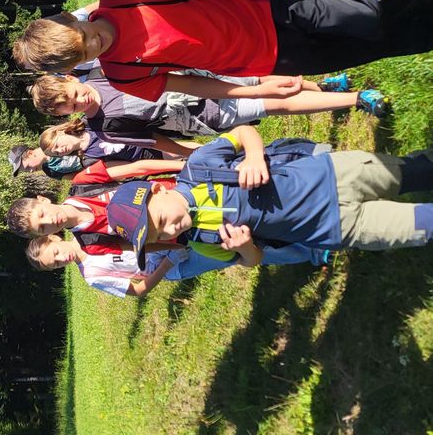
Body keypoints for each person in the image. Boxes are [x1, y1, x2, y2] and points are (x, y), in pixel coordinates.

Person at [12, 0, 432, 103]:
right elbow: (195, 87)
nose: (96, 43)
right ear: (82, 66)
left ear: (72, 17)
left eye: (85, 36)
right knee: (375, 45)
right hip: (271, 58)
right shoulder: (123, 74)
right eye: (88, 53)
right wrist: (259, 88)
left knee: (371, 17)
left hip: (267, 5)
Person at [106, 126, 433, 268]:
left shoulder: (199, 166)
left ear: (159, 190)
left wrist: (253, 157)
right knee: (422, 225)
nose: (169, 231)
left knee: (414, 171)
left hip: (336, 173)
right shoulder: (202, 242)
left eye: (160, 221)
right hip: (339, 226)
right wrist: (244, 248)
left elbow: (244, 133)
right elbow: (254, 261)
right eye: (159, 236)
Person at [29, 71, 390, 133]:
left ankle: (324, 86)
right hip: (205, 114)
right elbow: (152, 139)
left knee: (263, 79)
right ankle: (356, 99)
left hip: (202, 77)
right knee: (273, 103)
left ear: (72, 80)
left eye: (75, 94)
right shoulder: (102, 127)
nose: (82, 100)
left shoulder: (103, 74)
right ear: (66, 116)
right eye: (73, 107)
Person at [25, 232, 329, 298]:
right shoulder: (91, 275)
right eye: (55, 265)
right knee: (235, 253)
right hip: (176, 263)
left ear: (54, 238)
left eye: (55, 252)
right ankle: (312, 253)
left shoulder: (89, 231)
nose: (60, 259)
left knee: (235, 233)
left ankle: (297, 232)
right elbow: (138, 288)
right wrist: (169, 262)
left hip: (170, 236)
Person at [38, 117, 195, 167]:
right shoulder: (88, 158)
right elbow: (119, 165)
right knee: (186, 155)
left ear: (59, 132)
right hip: (144, 155)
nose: (60, 150)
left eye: (57, 145)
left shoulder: (89, 124)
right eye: (56, 153)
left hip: (145, 135)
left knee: (188, 147)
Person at [7, 143, 84, 180]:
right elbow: (80, 177)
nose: (30, 171)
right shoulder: (51, 172)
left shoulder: (51, 143)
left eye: (28, 167)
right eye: (26, 171)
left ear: (30, 153)